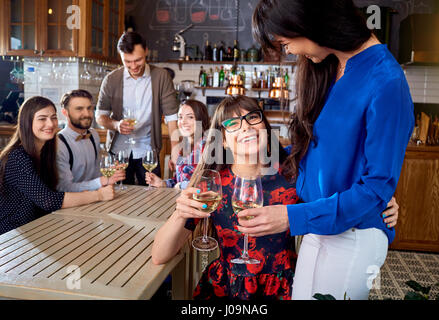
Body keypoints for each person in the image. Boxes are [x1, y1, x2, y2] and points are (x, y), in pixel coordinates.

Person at [237, 0, 414, 300]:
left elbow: (374, 189)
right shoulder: (331, 66)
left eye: (285, 42)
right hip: (318, 228)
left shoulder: (387, 82)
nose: (289, 51)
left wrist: (292, 218)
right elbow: (317, 149)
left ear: (307, 22)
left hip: (354, 235)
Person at [151, 96, 399, 300]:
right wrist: (180, 212)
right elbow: (160, 254)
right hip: (225, 289)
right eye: (233, 123)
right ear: (222, 140)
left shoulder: (293, 176)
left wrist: (380, 201)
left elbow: (341, 197)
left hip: (287, 287)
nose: (246, 126)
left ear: (265, 129)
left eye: (252, 118)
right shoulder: (213, 186)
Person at [0, 96, 114, 235]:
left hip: (39, 227)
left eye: (53, 117)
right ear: (27, 122)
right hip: (13, 235)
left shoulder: (46, 152)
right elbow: (48, 200)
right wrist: (98, 195)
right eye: (42, 119)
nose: (50, 124)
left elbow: (56, 192)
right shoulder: (18, 156)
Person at [96, 31, 179, 185]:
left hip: (148, 152)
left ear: (146, 51)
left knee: (152, 199)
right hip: (119, 153)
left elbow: (171, 117)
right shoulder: (111, 80)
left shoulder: (161, 77)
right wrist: (116, 125)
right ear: (120, 56)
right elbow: (100, 116)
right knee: (119, 198)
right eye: (127, 61)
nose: (133, 66)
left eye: (138, 60)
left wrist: (175, 149)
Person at [56, 90, 125, 192]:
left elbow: (96, 174)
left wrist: (111, 171)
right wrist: (102, 181)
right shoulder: (59, 143)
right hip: (73, 203)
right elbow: (65, 187)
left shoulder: (93, 135)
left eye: (89, 108)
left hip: (97, 198)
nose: (87, 114)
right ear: (65, 113)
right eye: (79, 109)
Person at [145, 99, 209, 190]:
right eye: (180, 117)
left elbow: (208, 183)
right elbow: (178, 181)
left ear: (201, 120)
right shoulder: (184, 146)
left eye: (190, 117)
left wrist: (180, 186)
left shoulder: (207, 146)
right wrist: (162, 183)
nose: (183, 122)